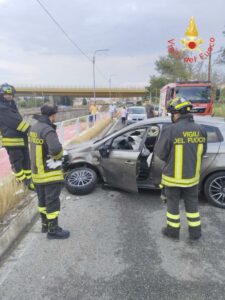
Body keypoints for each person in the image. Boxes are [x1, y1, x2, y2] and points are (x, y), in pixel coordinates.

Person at [155, 97, 207, 241]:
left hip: (173, 179)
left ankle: (173, 232)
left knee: (173, 207)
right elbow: (202, 153)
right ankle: (195, 233)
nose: (172, 116)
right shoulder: (201, 130)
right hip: (192, 178)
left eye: (172, 113)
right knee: (192, 207)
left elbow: (160, 153)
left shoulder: (170, 130)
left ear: (178, 113)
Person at [29, 104, 70, 239]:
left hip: (37, 174)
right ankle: (53, 231)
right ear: (52, 115)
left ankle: (45, 225)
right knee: (52, 201)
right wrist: (59, 157)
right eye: (55, 115)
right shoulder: (48, 130)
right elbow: (56, 150)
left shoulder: (34, 128)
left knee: (42, 201)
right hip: (49, 174)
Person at [0, 83, 34, 190]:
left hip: (20, 139)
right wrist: (31, 129)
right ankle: (22, 183)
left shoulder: (11, 104)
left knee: (26, 161)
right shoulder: (2, 108)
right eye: (6, 94)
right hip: (12, 141)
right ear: (1, 95)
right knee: (17, 163)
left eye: (10, 94)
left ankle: (29, 180)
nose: (9, 96)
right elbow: (16, 122)